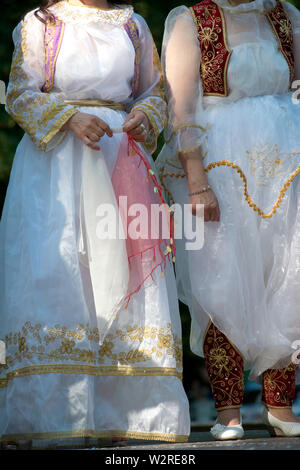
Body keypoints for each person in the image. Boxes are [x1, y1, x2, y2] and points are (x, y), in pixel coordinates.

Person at [0, 0, 190, 449]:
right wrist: (68, 117)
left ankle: (131, 413)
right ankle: (52, 413)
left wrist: (145, 116)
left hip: (119, 156)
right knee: (59, 269)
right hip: (55, 166)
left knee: (124, 277)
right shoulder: (40, 24)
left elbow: (154, 92)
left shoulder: (134, 25)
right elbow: (19, 93)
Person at [157, 0, 300, 440]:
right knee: (221, 276)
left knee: (288, 272)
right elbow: (180, 109)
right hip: (222, 167)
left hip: (287, 165)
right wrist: (196, 181)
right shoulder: (193, 20)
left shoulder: (286, 15)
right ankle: (228, 410)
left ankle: (280, 404)